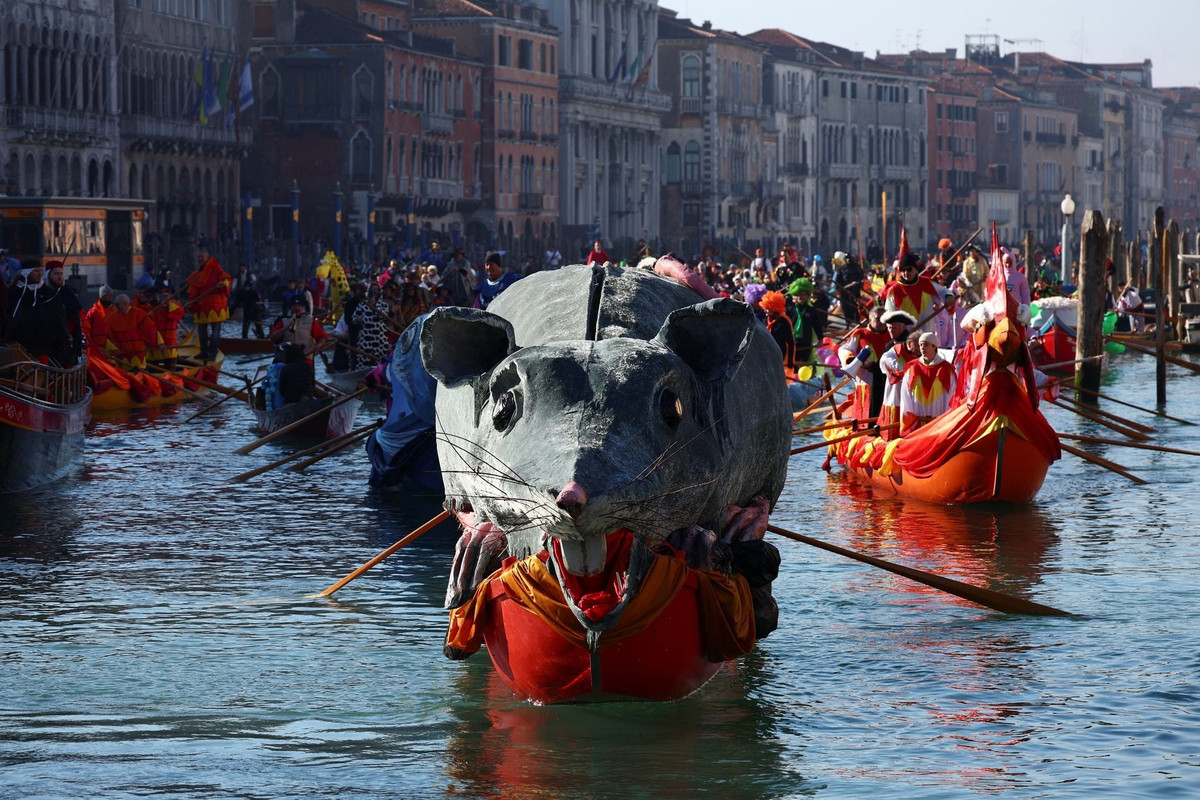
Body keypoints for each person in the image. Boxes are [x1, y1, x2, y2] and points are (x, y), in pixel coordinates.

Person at [6, 260, 69, 363]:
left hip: (42, 348)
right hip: (16, 346)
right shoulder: (14, 292)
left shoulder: (49, 294)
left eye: (41, 271)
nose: (39, 274)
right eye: (36, 271)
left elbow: (59, 319)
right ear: (27, 272)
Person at [837, 306, 894, 420]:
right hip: (865, 381)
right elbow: (844, 350)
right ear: (870, 320)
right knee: (865, 413)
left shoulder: (892, 335)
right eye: (878, 319)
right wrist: (853, 360)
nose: (882, 322)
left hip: (886, 383)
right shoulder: (860, 334)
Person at [899, 332, 957, 436]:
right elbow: (905, 396)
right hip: (916, 424)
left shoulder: (946, 369)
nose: (922, 348)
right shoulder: (912, 368)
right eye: (920, 345)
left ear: (934, 346)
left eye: (926, 344)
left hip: (938, 424)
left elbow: (952, 397)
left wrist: (946, 421)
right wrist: (909, 421)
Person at [876, 311, 917, 440]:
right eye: (888, 328)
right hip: (894, 392)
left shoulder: (914, 345)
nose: (890, 331)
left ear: (902, 327)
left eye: (893, 328)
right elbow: (883, 364)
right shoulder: (892, 347)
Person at [186, 246, 231, 361]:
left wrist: (223, 283)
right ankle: (204, 351)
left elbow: (226, 278)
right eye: (198, 257)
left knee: (215, 330)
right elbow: (194, 289)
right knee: (202, 331)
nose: (199, 259)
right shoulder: (198, 273)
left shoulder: (215, 268)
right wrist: (191, 301)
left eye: (202, 257)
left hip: (215, 304)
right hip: (202, 305)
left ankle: (213, 352)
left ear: (207, 257)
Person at [881, 252, 940, 336]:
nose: (906, 273)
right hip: (907, 336)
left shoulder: (927, 283)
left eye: (909, 269)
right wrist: (897, 329)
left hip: (927, 334)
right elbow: (889, 314)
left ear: (915, 269)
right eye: (903, 270)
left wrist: (949, 297)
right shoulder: (894, 290)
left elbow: (945, 292)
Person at [106, 293, 161, 370]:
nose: (115, 307)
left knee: (139, 375)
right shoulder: (111, 317)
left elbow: (151, 330)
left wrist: (159, 344)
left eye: (117, 305)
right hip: (121, 355)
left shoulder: (139, 314)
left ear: (125, 304)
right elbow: (108, 336)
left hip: (137, 354)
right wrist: (114, 349)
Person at [44, 261, 84, 365]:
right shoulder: (42, 294)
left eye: (61, 274)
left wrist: (77, 352)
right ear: (48, 275)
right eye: (56, 274)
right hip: (45, 346)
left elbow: (76, 328)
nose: (60, 277)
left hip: (63, 346)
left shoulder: (68, 296)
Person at [269, 296, 327, 363]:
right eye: (294, 306)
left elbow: (322, 337)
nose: (297, 308)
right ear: (290, 308)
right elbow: (273, 337)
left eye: (299, 306)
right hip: (288, 359)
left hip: (306, 358)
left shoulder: (310, 320)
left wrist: (318, 345)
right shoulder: (283, 321)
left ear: (303, 308)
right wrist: (286, 328)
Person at [145, 287, 186, 369]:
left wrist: (168, 305)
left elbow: (180, 314)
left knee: (169, 362)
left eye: (167, 296)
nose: (165, 298)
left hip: (170, 340)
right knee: (154, 362)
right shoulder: (156, 308)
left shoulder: (175, 305)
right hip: (158, 339)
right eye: (163, 296)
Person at [760, 291, 795, 376]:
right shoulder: (765, 321)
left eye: (768, 308)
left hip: (778, 354)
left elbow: (790, 342)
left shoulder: (783, 322)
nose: (765, 311)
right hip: (765, 353)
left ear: (774, 308)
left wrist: (790, 361)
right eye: (765, 308)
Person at [832, 251, 865, 326]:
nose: (848, 260)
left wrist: (857, 282)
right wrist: (839, 288)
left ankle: (857, 322)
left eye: (849, 259)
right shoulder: (841, 268)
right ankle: (848, 322)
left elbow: (861, 277)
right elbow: (838, 279)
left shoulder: (856, 267)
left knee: (855, 306)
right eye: (846, 259)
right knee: (846, 306)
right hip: (845, 291)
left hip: (855, 290)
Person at [84, 284, 114, 353]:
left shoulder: (115, 311)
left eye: (111, 295)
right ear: (102, 296)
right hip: (98, 349)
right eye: (108, 295)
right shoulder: (93, 312)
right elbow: (86, 330)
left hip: (113, 349)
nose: (111, 297)